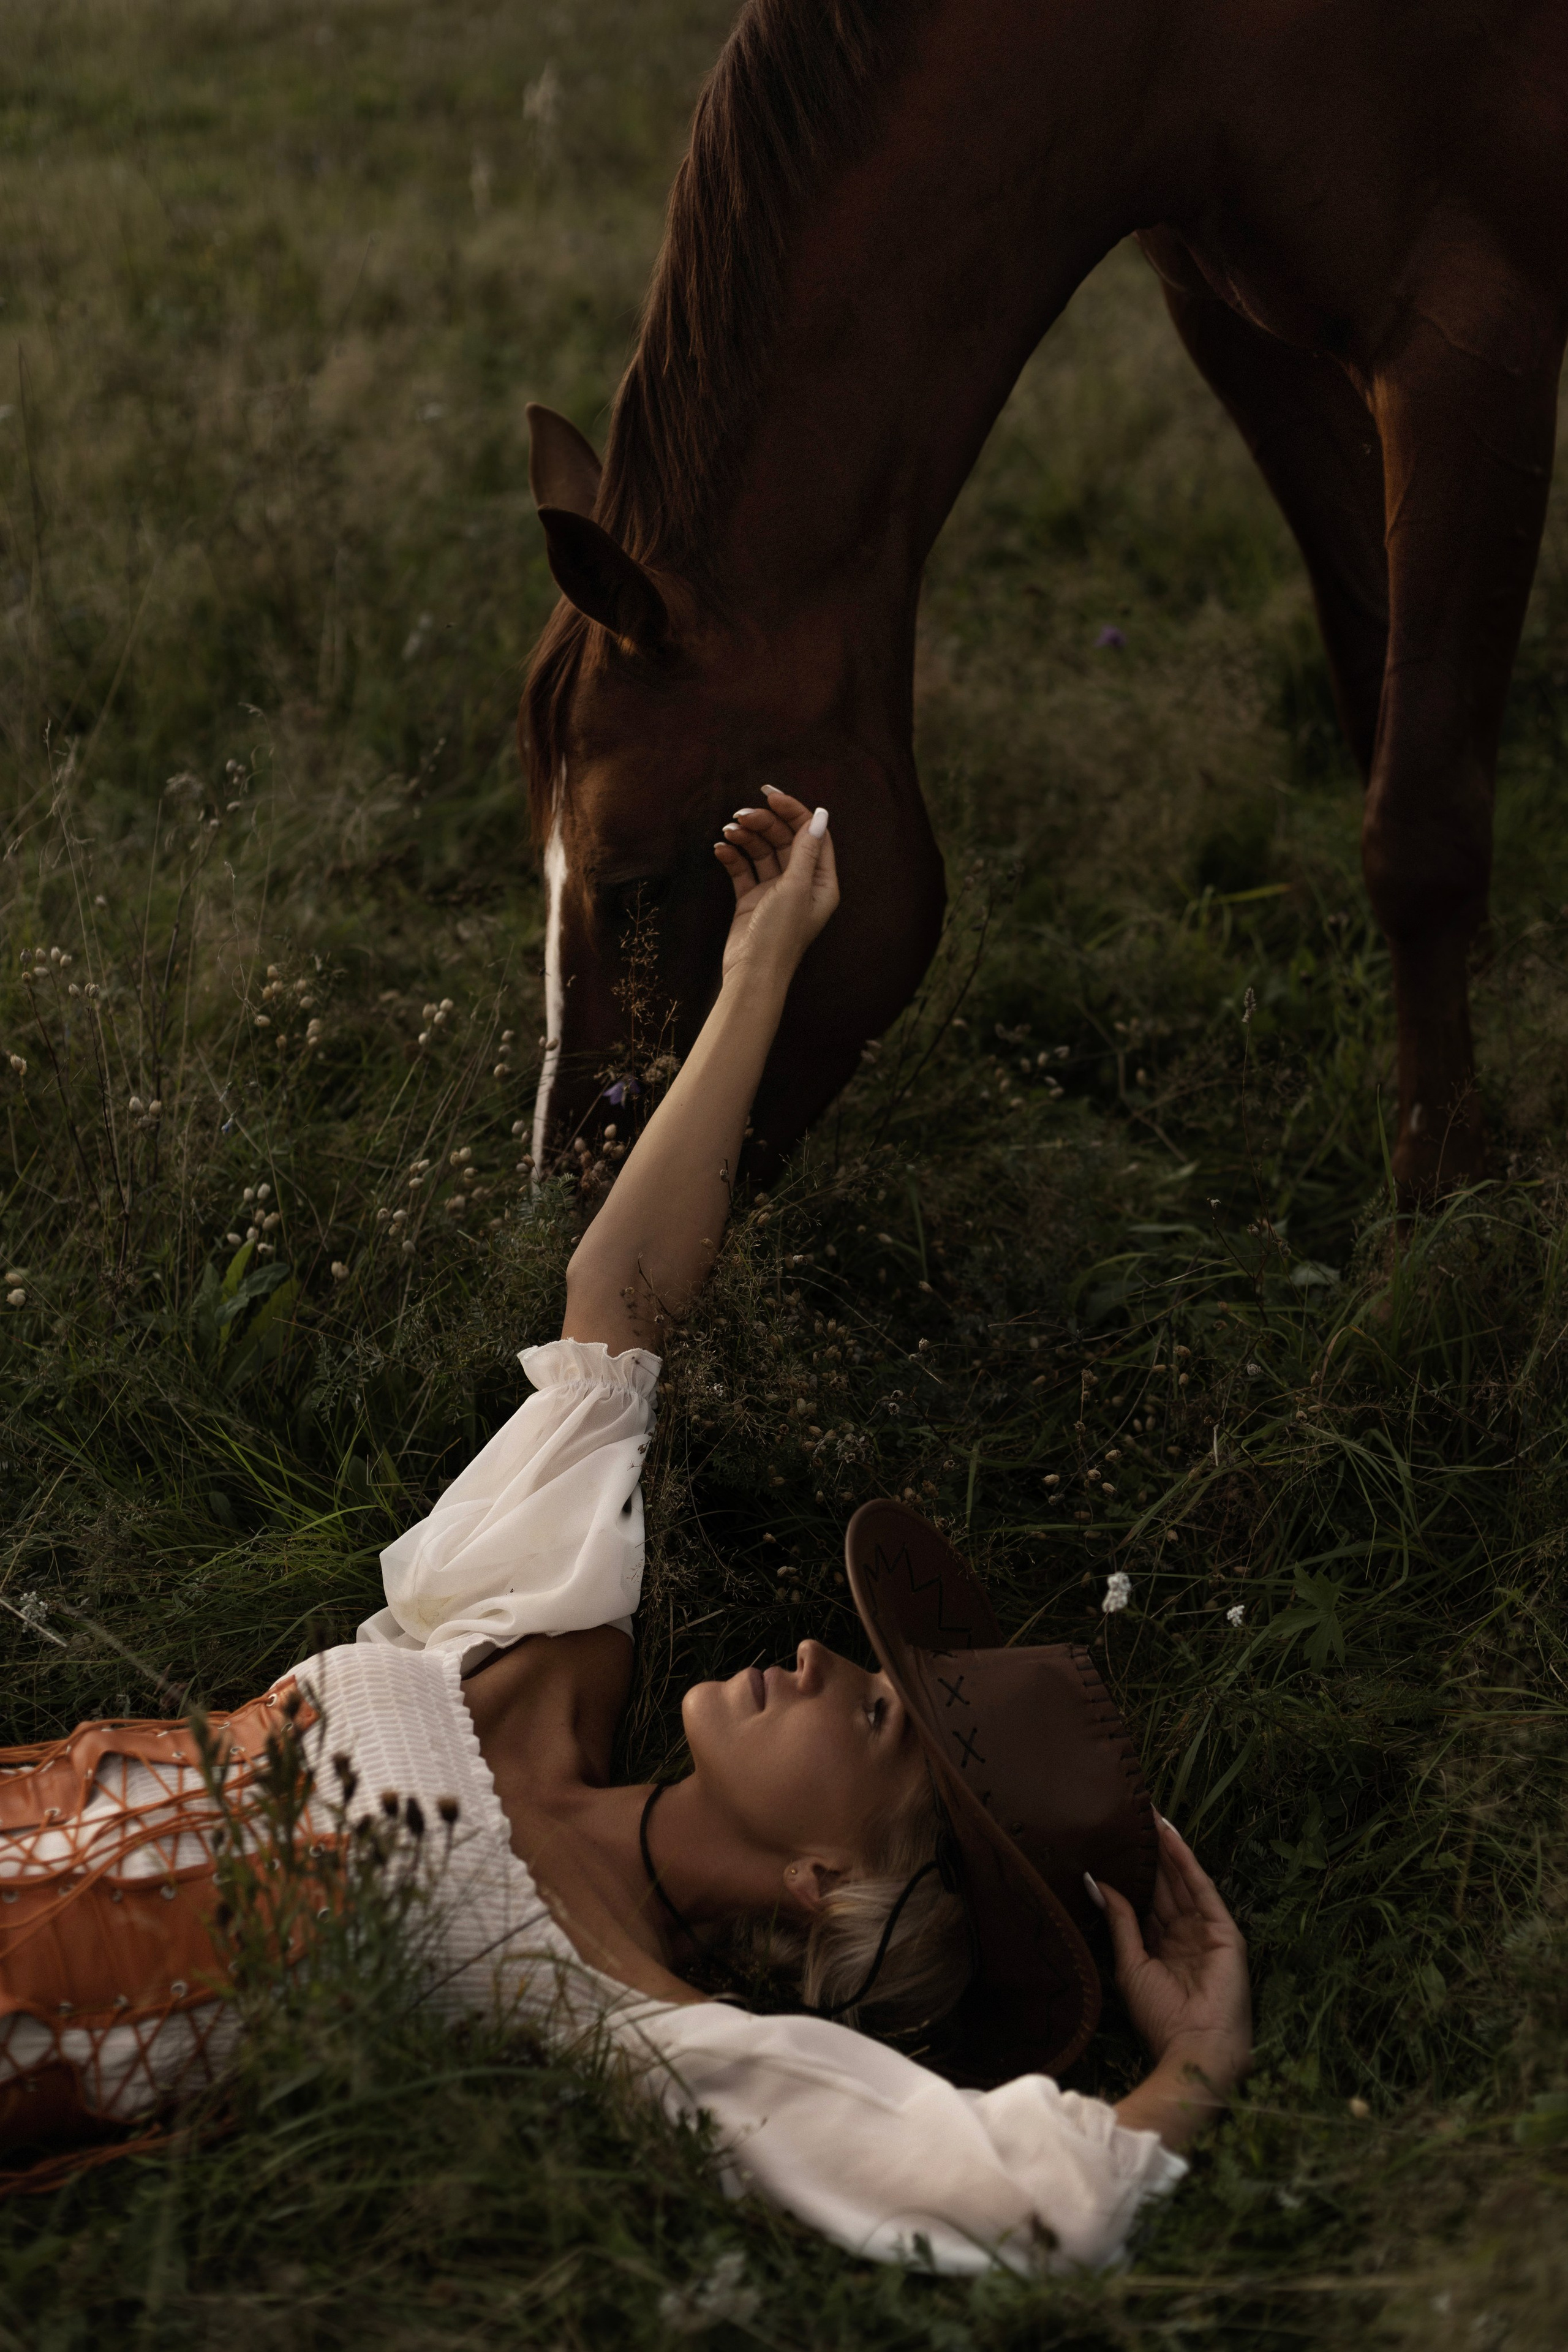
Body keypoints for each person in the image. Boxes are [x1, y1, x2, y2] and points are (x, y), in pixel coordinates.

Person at [0, 790, 1251, 2269]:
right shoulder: (543, 1650)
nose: (810, 1648)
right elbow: (622, 1311)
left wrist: (1198, 2062)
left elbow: (1035, 2193)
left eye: (865, 1713)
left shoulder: (614, 2004)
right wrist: (759, 971)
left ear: (826, 1884)